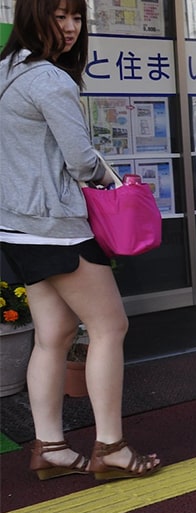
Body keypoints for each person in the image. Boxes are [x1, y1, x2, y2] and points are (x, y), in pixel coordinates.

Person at [0, 0, 161, 481]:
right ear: (35, 16)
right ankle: (110, 446)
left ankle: (49, 446)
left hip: (15, 228)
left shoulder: (6, 71)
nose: (70, 29)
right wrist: (114, 182)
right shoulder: (51, 80)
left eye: (76, 18)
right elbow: (81, 161)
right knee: (110, 327)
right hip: (57, 228)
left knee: (53, 336)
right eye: (60, 16)